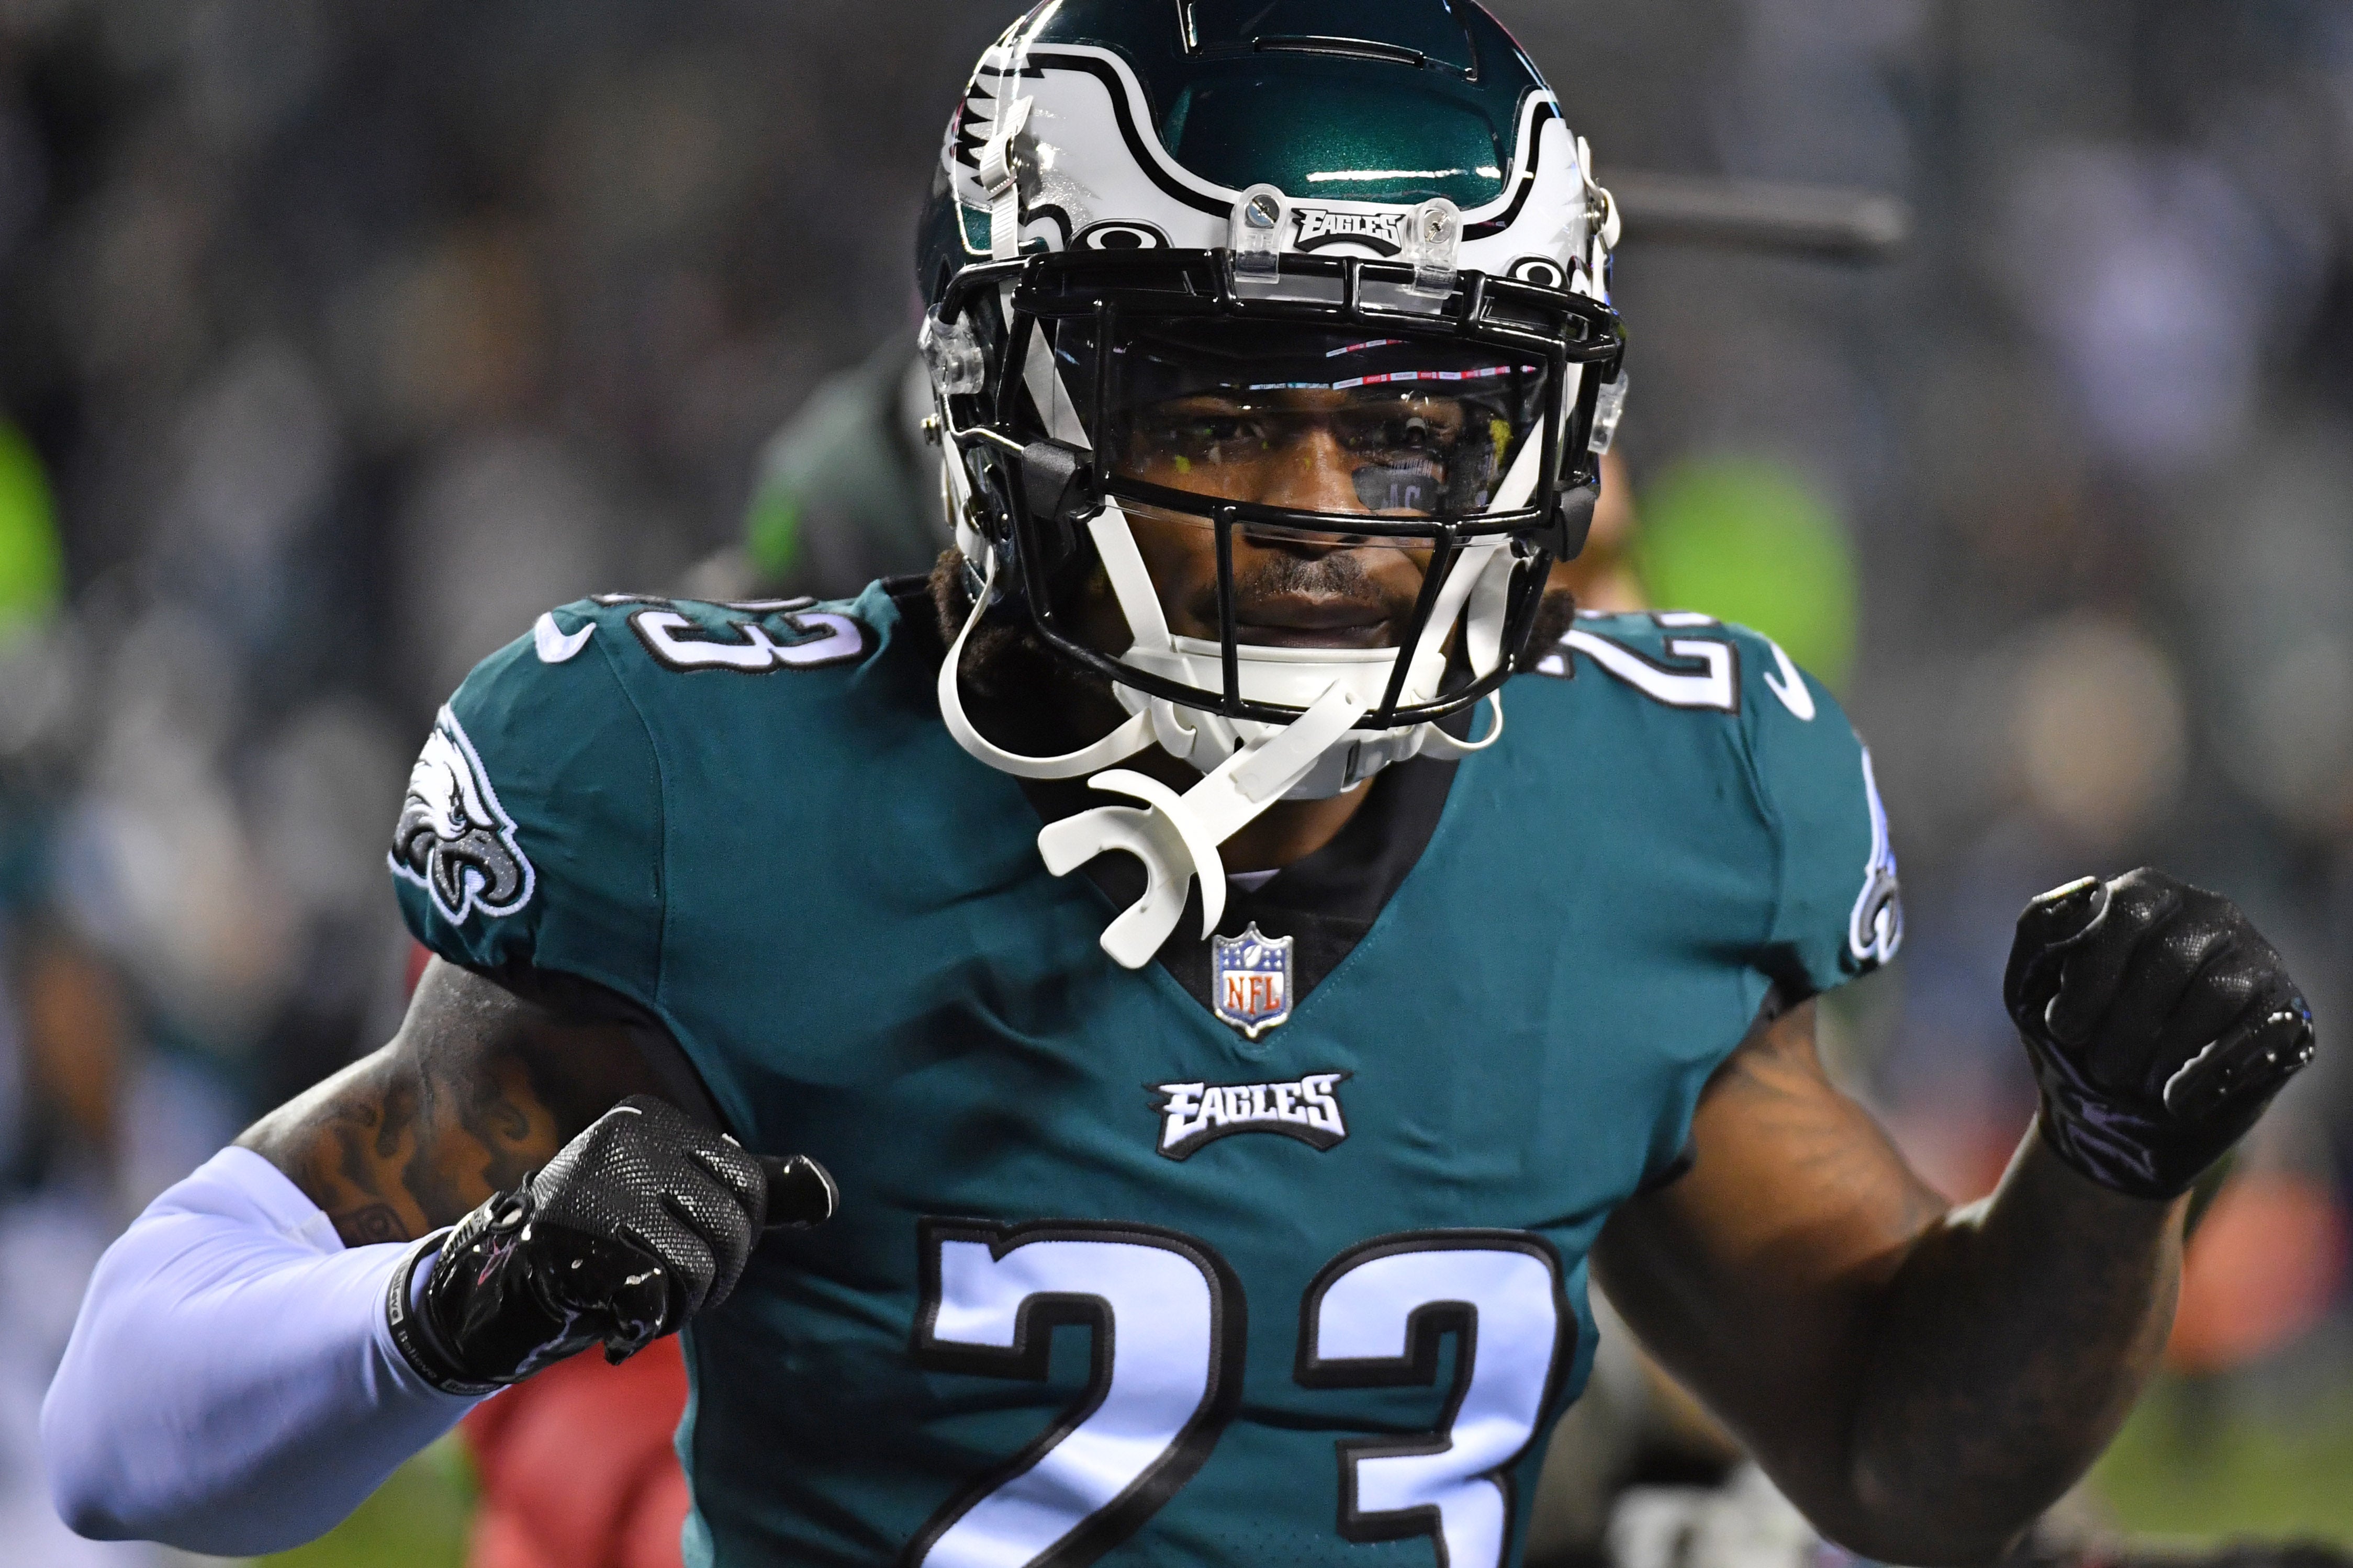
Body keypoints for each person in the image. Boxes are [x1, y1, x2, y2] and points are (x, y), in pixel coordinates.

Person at [42, 6, 2317, 1567]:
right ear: (997, 407)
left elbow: (1892, 1444)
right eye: (1223, 410)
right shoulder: (702, 791)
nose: (1327, 507)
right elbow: (130, 1431)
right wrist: (466, 1299)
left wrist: (2098, 1184)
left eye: (1415, 421)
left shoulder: (1656, 811)